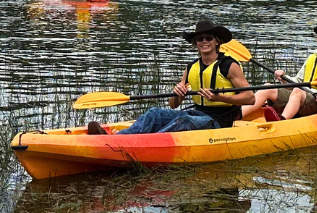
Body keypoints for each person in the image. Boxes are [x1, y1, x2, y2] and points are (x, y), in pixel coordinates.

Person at [87, 19, 253, 135]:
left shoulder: (229, 65)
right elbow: (174, 105)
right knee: (154, 113)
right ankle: (119, 138)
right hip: (197, 114)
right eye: (199, 39)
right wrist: (177, 93)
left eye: (208, 38)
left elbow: (250, 98)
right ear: (195, 43)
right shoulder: (191, 68)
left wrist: (220, 97)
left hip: (219, 121)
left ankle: (141, 143)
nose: (204, 41)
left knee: (184, 121)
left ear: (216, 42)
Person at [241, 22, 317, 121]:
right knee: (267, 88)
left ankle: (282, 121)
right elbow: (298, 81)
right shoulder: (312, 57)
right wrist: (284, 79)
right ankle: (237, 115)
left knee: (297, 91)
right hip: (303, 98)